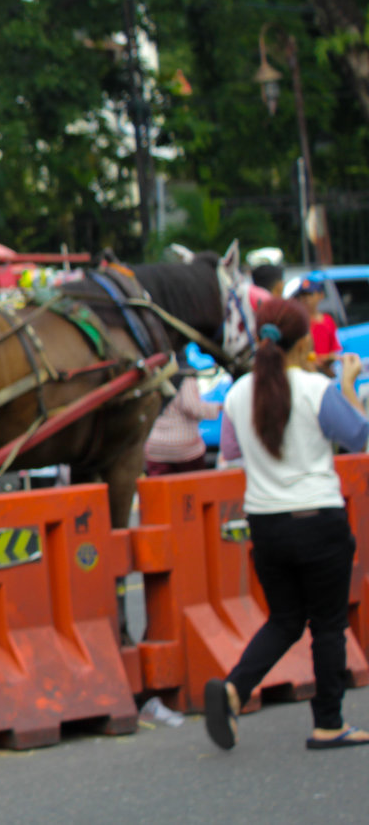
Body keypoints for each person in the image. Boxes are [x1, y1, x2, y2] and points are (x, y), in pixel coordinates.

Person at [204, 298, 367, 751]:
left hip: (266, 524)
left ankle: (235, 688)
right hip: (319, 519)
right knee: (329, 624)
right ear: (303, 343)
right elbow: (358, 436)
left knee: (286, 619)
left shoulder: (238, 393)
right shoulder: (316, 389)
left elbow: (232, 453)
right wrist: (349, 384)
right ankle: (329, 724)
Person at [144, 366, 222, 475]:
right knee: (192, 489)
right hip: (185, 449)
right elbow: (192, 408)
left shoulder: (152, 374)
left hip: (155, 447)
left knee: (161, 490)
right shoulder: (186, 377)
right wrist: (218, 407)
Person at [293, 276, 341, 375]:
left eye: (309, 294)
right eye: (302, 295)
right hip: (306, 372)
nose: (305, 299)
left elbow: (334, 349)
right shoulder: (299, 322)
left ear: (320, 295)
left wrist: (327, 361)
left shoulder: (328, 320)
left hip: (325, 372)